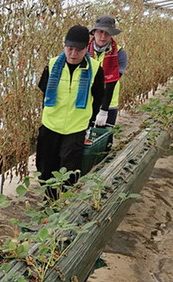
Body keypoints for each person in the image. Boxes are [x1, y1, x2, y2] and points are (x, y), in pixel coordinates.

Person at [36, 25, 104, 198]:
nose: (73, 54)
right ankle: (48, 201)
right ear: (64, 46)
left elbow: (97, 98)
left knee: (69, 170)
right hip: (51, 125)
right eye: (70, 49)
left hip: (75, 128)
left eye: (78, 50)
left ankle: (63, 204)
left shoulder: (95, 69)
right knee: (46, 167)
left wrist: (90, 121)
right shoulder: (52, 65)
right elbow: (44, 93)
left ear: (86, 48)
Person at [88, 15, 128, 142]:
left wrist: (103, 109)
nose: (103, 36)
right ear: (94, 32)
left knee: (105, 138)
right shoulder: (83, 51)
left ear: (112, 35)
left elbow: (112, 82)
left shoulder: (119, 54)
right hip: (86, 102)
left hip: (109, 103)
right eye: (100, 32)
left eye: (107, 33)